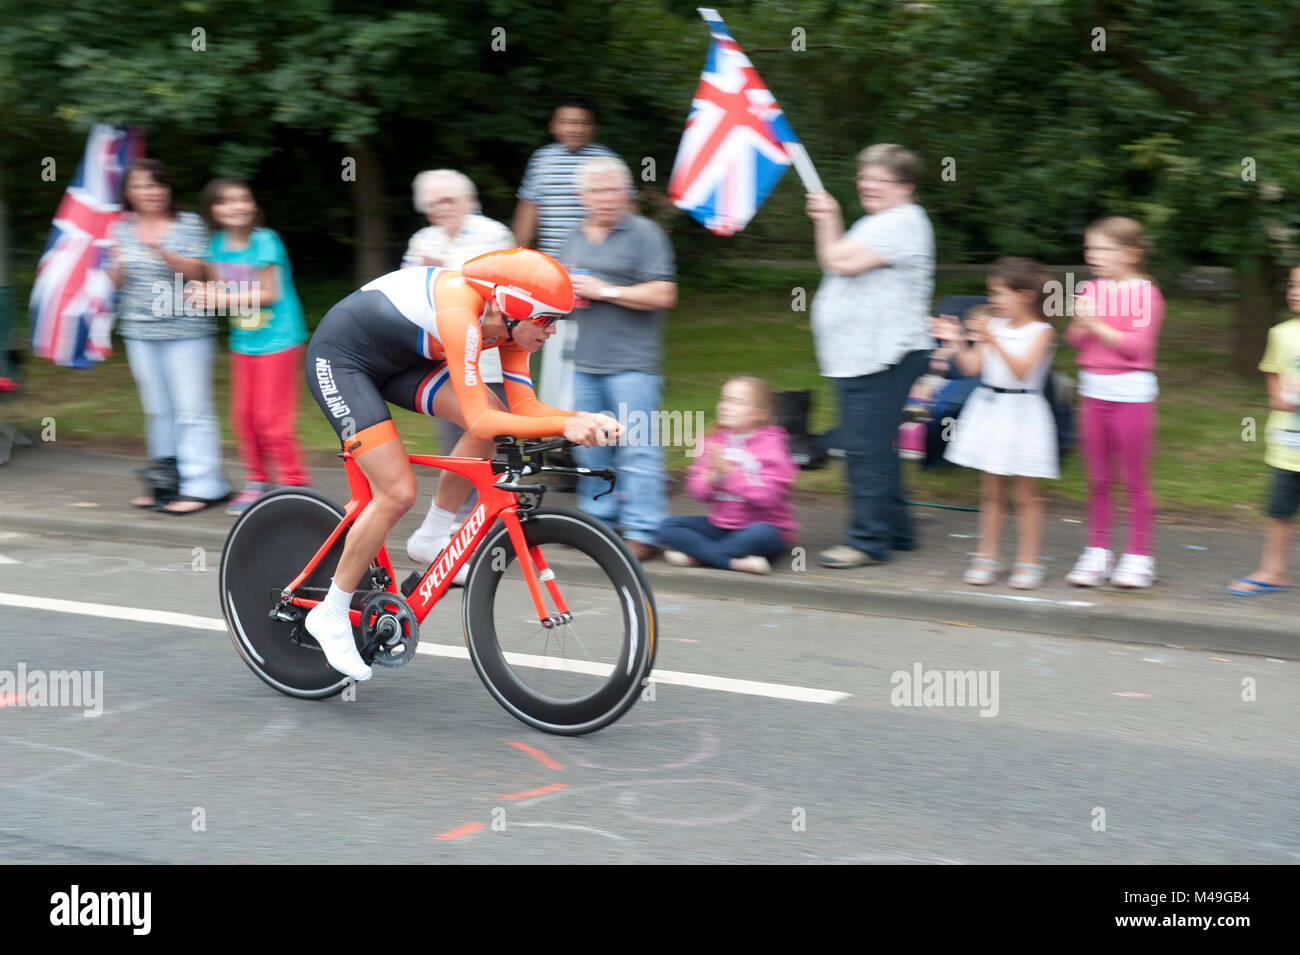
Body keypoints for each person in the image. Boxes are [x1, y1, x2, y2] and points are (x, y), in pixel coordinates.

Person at [301, 248, 623, 681]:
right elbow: (480, 419)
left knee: (491, 418)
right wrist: (568, 426)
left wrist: (579, 419)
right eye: (546, 320)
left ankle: (432, 535)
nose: (551, 331)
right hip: (342, 360)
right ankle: (331, 613)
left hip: (401, 361)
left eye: (558, 322)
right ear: (515, 306)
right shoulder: (461, 314)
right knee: (397, 491)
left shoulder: (510, 332)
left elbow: (523, 406)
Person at [805, 144, 935, 568]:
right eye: (864, 177)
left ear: (906, 187)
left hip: (884, 355)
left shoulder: (903, 222)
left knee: (865, 448)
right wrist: (833, 222)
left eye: (880, 180)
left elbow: (838, 261)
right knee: (878, 445)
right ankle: (897, 530)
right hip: (863, 355)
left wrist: (829, 220)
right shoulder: (879, 221)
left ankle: (866, 541)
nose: (868, 185)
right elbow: (837, 260)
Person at [560, 157, 677, 560]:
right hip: (586, 362)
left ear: (626, 193)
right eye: (597, 191)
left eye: (613, 190)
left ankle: (644, 531)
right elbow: (566, 295)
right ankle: (598, 525)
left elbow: (664, 294)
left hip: (634, 363)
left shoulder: (646, 234)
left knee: (639, 448)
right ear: (582, 197)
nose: (606, 198)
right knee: (590, 448)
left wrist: (605, 290)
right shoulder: (573, 237)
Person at [107, 159, 231, 513]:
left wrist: (161, 251)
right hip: (138, 330)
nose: (151, 192)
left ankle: (204, 484)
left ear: (168, 189)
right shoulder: (121, 229)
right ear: (129, 193)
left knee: (192, 409)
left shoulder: (188, 223)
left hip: (186, 330)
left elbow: (201, 270)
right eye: (142, 186)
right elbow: (117, 283)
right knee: (158, 410)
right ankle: (165, 483)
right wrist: (115, 265)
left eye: (158, 184)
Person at [934, 259, 1058, 589]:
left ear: (1026, 295)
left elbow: (1022, 370)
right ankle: (986, 557)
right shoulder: (994, 326)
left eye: (1001, 294)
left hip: (1024, 412)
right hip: (990, 411)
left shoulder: (1042, 332)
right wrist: (957, 341)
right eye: (992, 293)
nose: (994, 300)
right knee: (991, 492)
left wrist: (993, 338)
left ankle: (1028, 561)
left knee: (1027, 495)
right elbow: (972, 367)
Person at [402, 169, 515, 522]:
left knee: (494, 436)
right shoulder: (422, 240)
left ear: (467, 200)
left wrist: (445, 270)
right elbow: (406, 290)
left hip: (489, 356)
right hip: (442, 358)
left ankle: (499, 514)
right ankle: (459, 520)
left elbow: (505, 289)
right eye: (433, 203)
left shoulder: (494, 234)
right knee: (455, 446)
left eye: (449, 199)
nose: (442, 208)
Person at [1063, 217, 1166, 588]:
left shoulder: (1145, 294)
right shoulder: (1091, 289)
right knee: (1098, 479)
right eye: (1091, 248)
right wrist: (1080, 322)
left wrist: (1095, 324)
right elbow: (1076, 340)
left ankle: (1139, 557)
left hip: (1131, 396)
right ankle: (1098, 552)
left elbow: (1135, 347)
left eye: (1105, 249)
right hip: (1093, 393)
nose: (1095, 256)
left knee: (1134, 480)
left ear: (1132, 254)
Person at [199, 178, 310, 515]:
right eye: (225, 201)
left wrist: (218, 297)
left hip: (279, 340)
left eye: (242, 198)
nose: (235, 206)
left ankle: (294, 486)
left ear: (253, 205)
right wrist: (206, 296)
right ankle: (257, 482)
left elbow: (269, 293)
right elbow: (220, 291)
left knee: (271, 419)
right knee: (244, 418)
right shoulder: (216, 245)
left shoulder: (266, 241)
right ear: (214, 211)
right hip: (244, 342)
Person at [513, 95, 618, 411]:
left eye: (582, 122)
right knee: (549, 341)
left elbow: (623, 212)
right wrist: (515, 259)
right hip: (551, 275)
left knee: (594, 341)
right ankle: (551, 418)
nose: (575, 128)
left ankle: (592, 415)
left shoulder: (607, 162)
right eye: (568, 121)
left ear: (592, 127)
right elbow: (530, 209)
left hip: (596, 271)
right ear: (554, 126)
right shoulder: (541, 160)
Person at [659, 376, 798, 575]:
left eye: (737, 402)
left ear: (760, 414)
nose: (725, 406)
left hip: (763, 527)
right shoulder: (712, 441)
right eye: (724, 399)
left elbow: (769, 498)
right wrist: (713, 476)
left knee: (762, 535)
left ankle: (700, 555)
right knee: (667, 527)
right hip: (720, 525)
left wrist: (731, 473)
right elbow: (697, 493)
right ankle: (734, 562)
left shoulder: (773, 445)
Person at [1228, 263, 1300, 596]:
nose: (1295, 291)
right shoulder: (1282, 333)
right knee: (1279, 510)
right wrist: (1278, 396)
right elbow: (1272, 371)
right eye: (1292, 285)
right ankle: (1273, 571)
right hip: (1289, 445)